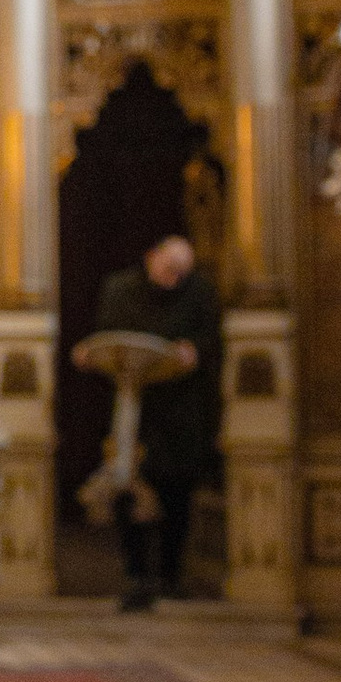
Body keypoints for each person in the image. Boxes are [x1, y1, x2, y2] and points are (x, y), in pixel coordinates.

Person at [91, 231, 221, 608]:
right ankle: (136, 574)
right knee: (127, 487)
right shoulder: (122, 290)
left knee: (176, 492)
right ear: (152, 257)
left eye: (183, 272)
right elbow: (108, 334)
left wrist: (192, 351)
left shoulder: (199, 294)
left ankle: (169, 574)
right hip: (133, 407)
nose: (174, 278)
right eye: (170, 268)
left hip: (180, 412)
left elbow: (210, 339)